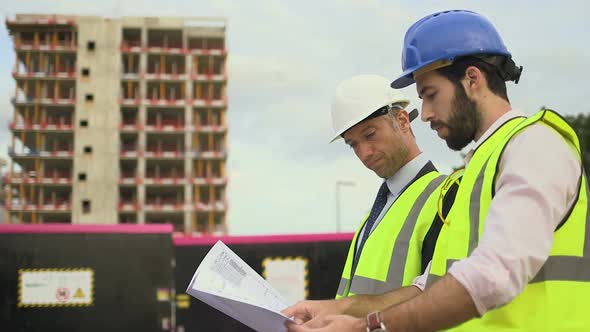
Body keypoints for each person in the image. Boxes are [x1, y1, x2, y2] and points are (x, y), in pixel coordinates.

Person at [284, 9, 589, 331]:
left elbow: (494, 274)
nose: (425, 114)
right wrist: (338, 310)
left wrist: (367, 328)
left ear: (472, 79)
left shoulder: (535, 145)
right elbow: (427, 288)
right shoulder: (479, 170)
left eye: (431, 95)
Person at [327, 75, 456, 304]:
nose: (364, 153)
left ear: (403, 121)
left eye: (370, 135)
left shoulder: (446, 197)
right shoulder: (374, 216)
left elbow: (441, 301)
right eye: (353, 144)